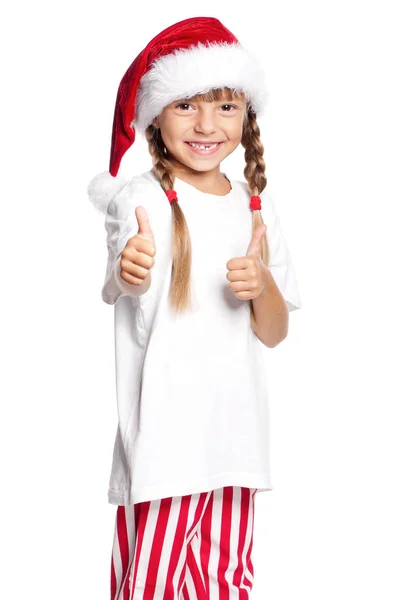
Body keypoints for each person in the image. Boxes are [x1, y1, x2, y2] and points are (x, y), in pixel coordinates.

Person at [87, 15, 302, 600]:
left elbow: (275, 333)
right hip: (162, 449)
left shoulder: (254, 207)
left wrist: (262, 286)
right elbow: (122, 279)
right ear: (157, 114)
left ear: (246, 118)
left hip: (236, 445)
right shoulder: (140, 201)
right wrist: (130, 267)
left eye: (225, 107)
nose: (207, 125)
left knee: (227, 584)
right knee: (149, 584)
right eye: (186, 106)